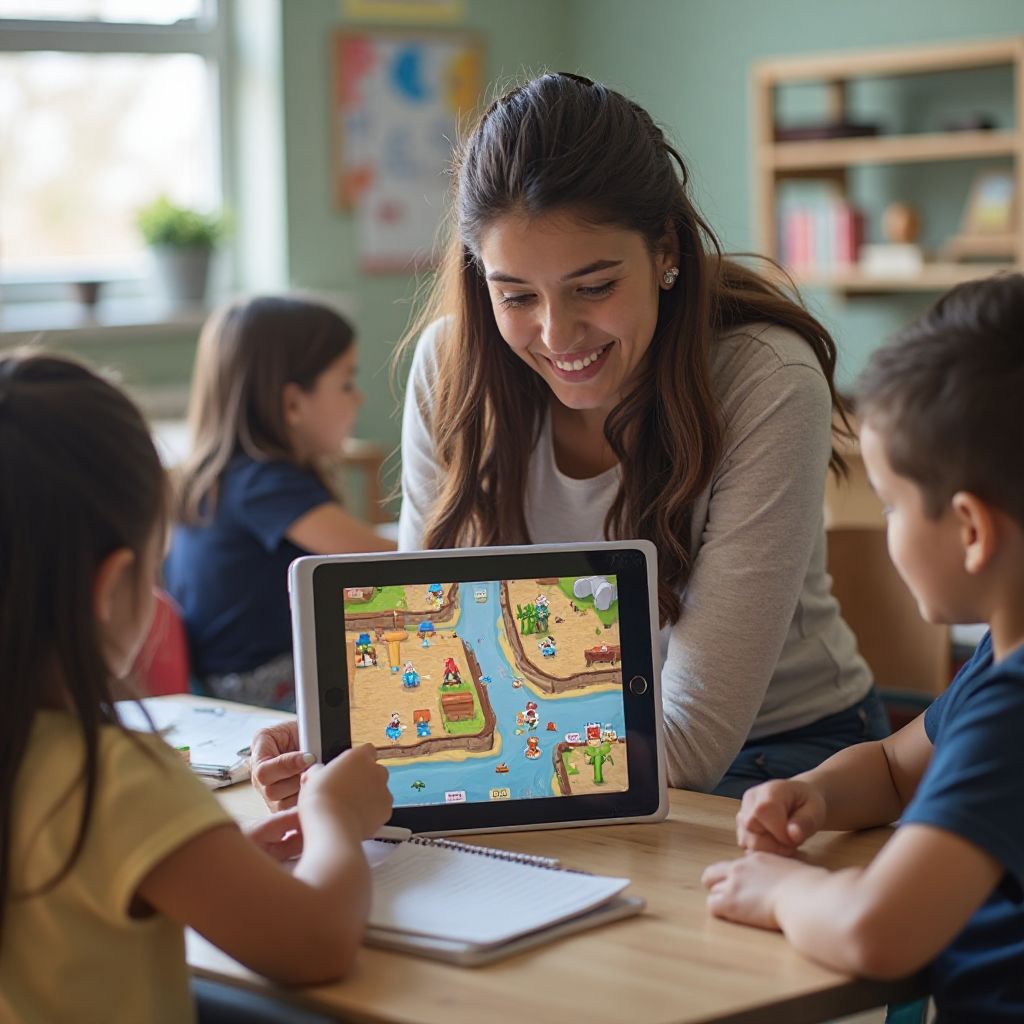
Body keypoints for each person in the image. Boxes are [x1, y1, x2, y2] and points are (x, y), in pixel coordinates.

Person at [249, 72, 887, 807]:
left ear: (666, 251)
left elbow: (688, 744)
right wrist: (337, 739)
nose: (558, 335)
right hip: (536, 745)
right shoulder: (450, 368)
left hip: (779, 760)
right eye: (516, 295)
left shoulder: (767, 379)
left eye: (594, 287)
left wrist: (408, 743)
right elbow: (423, 651)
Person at [0, 352, 393, 1022]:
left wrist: (211, 858)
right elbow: (317, 942)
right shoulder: (111, 777)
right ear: (111, 585)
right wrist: (337, 818)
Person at [701, 275, 1024, 1023]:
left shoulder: (1015, 710)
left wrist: (783, 891)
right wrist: (814, 793)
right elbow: (895, 767)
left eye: (890, 504)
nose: (887, 528)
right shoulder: (999, 669)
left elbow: (875, 931)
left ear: (971, 531)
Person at [164, 295, 395, 710]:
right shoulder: (264, 483)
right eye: (346, 383)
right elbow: (384, 561)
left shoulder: (230, 476)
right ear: (291, 403)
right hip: (259, 685)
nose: (358, 399)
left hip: (232, 678)